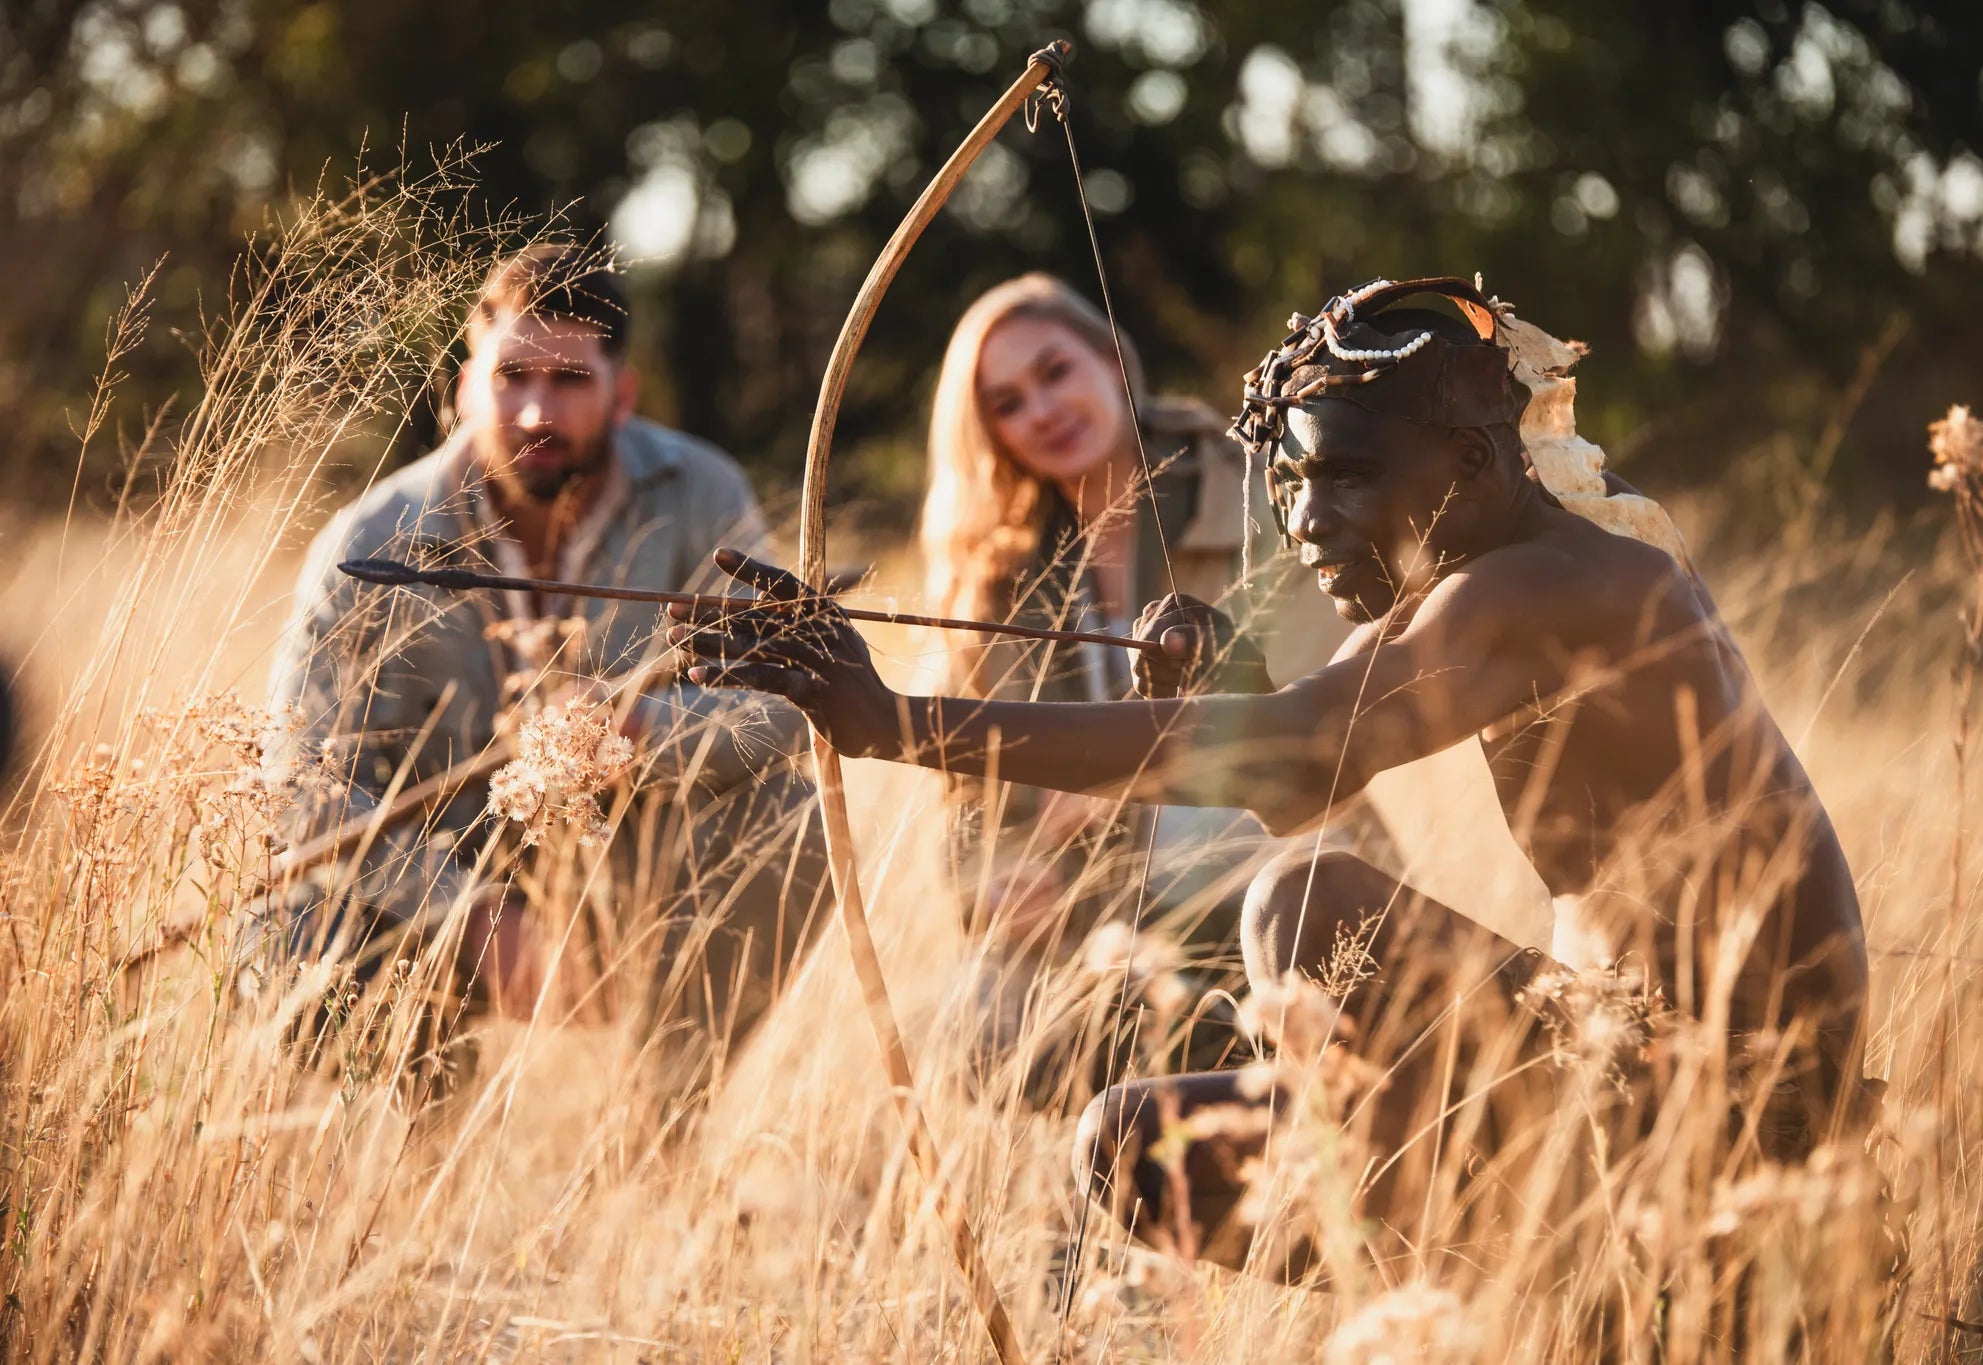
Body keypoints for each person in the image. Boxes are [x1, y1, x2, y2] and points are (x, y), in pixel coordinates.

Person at [665, 276, 1872, 1276]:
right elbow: (1288, 769)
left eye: (1343, 477)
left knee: (1296, 906)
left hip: (1734, 1112)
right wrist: (1198, 696)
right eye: (1293, 482)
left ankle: (1589, 1295)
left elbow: (1300, 751)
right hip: (1613, 1069)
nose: (1302, 523)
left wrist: (889, 722)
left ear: (1464, 460)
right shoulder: (1490, 564)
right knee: (1132, 1139)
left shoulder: (1550, 581)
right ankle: (1540, 1306)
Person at [261, 243, 826, 1068]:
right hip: (427, 882)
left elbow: (784, 698)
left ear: (622, 394)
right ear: (465, 388)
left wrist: (645, 729)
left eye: (569, 382)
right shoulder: (368, 540)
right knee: (290, 936)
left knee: (790, 818)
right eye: (512, 376)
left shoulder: (704, 492)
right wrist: (462, 912)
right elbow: (296, 776)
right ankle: (410, 1162)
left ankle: (656, 1139)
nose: (536, 413)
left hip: (626, 865)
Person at [916, 273, 1377, 1105]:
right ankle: (1111, 1195)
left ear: (1110, 358)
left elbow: (1316, 713)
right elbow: (963, 786)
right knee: (972, 1032)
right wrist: (996, 880)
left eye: (1056, 371)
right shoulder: (997, 571)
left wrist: (1113, 778)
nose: (1043, 410)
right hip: (1096, 910)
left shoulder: (1258, 491)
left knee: (1215, 926)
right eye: (1008, 403)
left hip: (1274, 859)